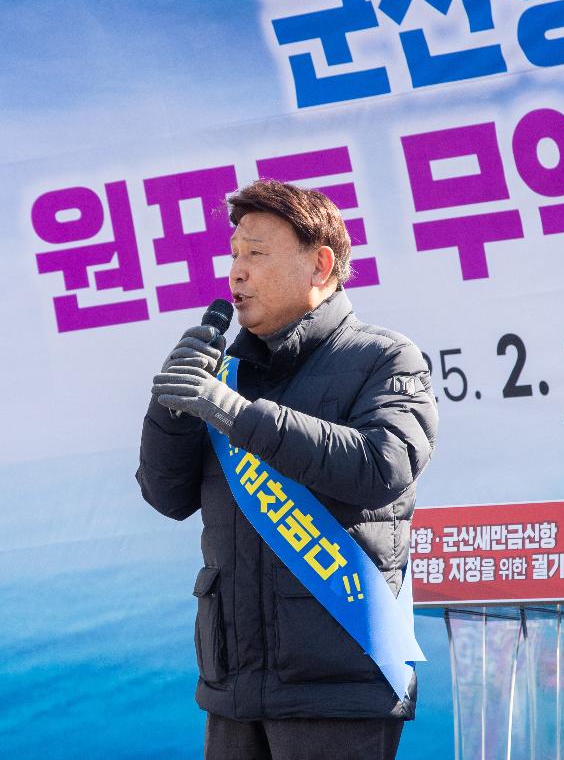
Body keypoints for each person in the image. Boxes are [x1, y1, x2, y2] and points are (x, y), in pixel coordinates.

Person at [136, 179, 439, 760]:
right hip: (234, 688)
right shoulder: (224, 374)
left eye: (256, 253)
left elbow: (384, 465)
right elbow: (167, 496)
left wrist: (239, 416)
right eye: (232, 255)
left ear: (320, 265)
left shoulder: (384, 356)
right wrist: (171, 409)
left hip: (340, 685)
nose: (235, 273)